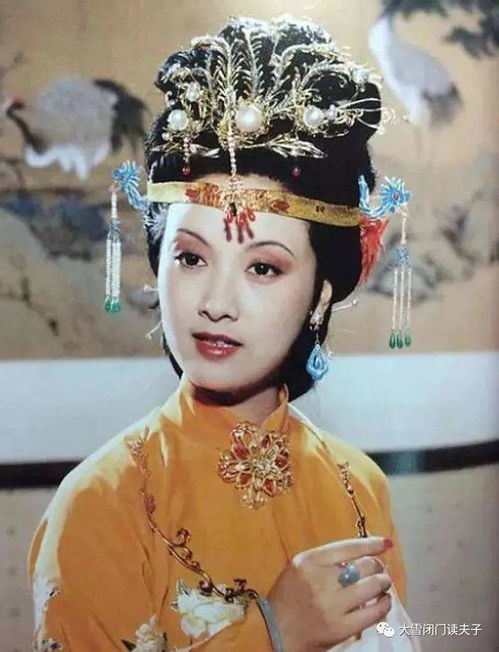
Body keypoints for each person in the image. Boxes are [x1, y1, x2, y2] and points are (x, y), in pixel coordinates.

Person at [28, 14, 420, 651]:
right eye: (190, 257)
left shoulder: (359, 486)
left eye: (263, 267)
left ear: (321, 293)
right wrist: (272, 633)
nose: (214, 303)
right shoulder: (102, 503)